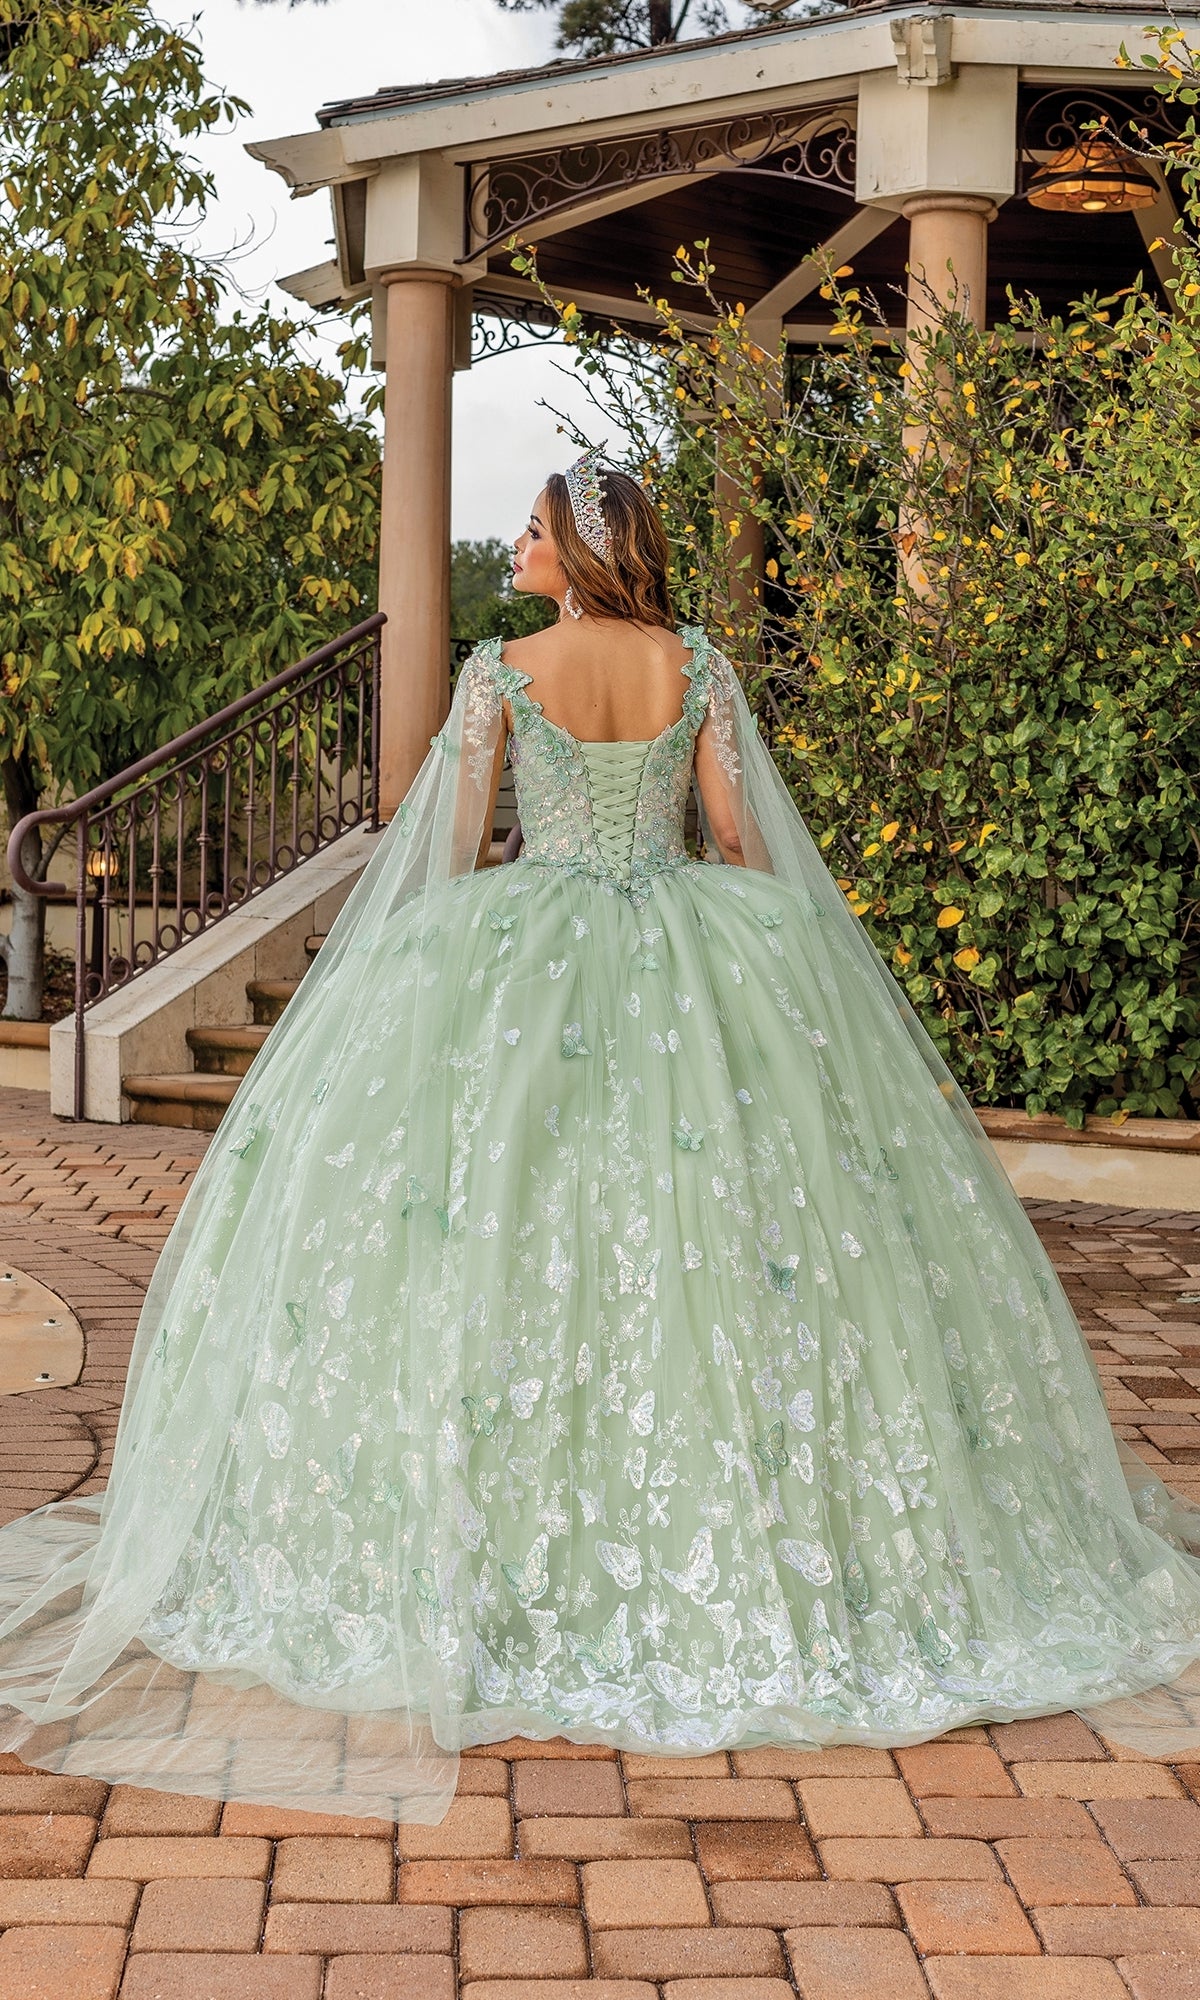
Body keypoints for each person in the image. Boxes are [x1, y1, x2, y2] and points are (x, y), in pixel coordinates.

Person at [3, 448, 1200, 1825]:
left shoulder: (504, 671)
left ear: (578, 551)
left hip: (529, 950)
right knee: (729, 1245)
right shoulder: (698, 664)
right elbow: (743, 835)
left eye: (529, 531)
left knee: (504, 1228)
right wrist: (792, 965)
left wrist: (416, 959)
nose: (515, 547)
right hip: (698, 950)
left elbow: (451, 844)